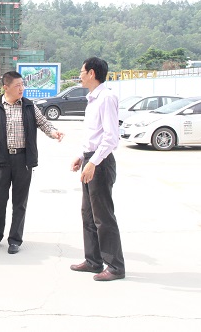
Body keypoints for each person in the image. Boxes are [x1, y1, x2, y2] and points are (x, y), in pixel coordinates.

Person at [0, 71, 64, 254]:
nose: (21, 89)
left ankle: (15, 239)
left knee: (20, 202)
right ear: (6, 87)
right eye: (17, 85)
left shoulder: (28, 105)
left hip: (23, 160)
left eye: (22, 85)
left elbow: (44, 123)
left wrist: (54, 132)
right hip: (0, 160)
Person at [69, 57, 126, 281]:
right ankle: (93, 261)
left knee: (103, 216)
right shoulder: (92, 99)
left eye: (82, 72)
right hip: (91, 158)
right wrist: (82, 157)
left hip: (100, 163)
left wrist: (93, 162)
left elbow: (111, 137)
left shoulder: (106, 97)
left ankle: (115, 266)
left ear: (92, 73)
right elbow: (93, 136)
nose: (80, 75)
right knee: (88, 214)